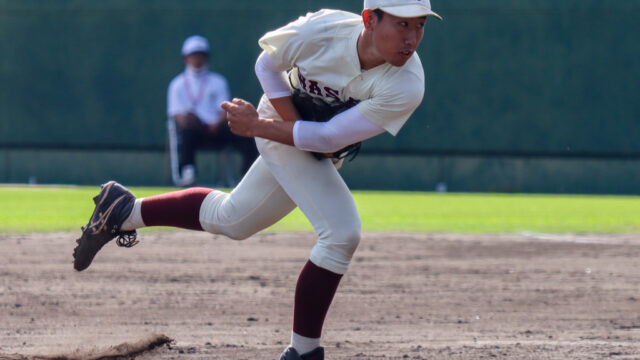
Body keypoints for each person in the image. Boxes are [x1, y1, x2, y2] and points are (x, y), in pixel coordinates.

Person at [73, 1, 440, 359]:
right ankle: (304, 352)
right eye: (402, 23)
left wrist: (271, 128)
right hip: (275, 122)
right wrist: (269, 125)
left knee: (233, 219)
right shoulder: (324, 30)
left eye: (420, 25)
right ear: (369, 20)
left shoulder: (407, 84)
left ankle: (123, 212)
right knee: (341, 234)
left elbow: (328, 139)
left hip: (310, 139)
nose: (412, 37)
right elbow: (267, 64)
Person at [167, 35, 258, 187]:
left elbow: (224, 111)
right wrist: (192, 121)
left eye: (201, 55)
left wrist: (215, 124)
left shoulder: (218, 81)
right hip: (195, 130)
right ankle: (188, 173)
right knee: (187, 133)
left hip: (218, 128)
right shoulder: (176, 85)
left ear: (207, 57)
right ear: (186, 58)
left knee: (246, 134)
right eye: (193, 55)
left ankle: (249, 174)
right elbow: (178, 117)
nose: (197, 59)